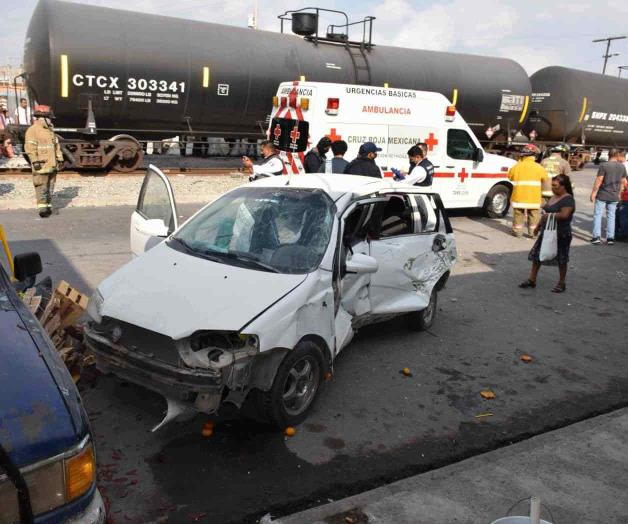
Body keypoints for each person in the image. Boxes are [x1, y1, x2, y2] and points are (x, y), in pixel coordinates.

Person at [519, 174, 576, 293]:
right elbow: (546, 212)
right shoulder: (553, 197)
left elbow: (564, 215)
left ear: (563, 186)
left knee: (561, 259)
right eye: (552, 185)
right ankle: (532, 279)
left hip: (561, 234)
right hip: (547, 232)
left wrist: (548, 216)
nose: (552, 188)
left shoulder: (568, 199)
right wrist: (538, 226)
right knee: (537, 256)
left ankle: (561, 283)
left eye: (555, 186)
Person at [24, 105, 64, 218]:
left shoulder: (50, 130)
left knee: (50, 187)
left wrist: (59, 158)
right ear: (43, 117)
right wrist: (34, 161)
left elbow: (56, 146)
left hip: (51, 164)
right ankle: (43, 209)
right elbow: (30, 148)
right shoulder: (32, 130)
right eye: (49, 117)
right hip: (41, 165)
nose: (51, 120)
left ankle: (48, 206)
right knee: (41, 186)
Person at [508, 144, 549, 238]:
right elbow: (545, 179)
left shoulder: (517, 166)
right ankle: (533, 233)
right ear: (534, 156)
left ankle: (517, 232)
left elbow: (510, 177)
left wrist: (519, 162)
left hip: (519, 197)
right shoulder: (539, 167)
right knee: (534, 215)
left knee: (518, 214)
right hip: (533, 197)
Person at [590, 148, 628, 245]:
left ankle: (596, 237)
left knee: (598, 215)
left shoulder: (604, 165)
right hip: (614, 195)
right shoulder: (622, 167)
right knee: (611, 216)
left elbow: (599, 180)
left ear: (609, 155)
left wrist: (593, 193)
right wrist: (619, 194)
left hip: (603, 194)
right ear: (617, 155)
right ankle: (610, 238)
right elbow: (623, 182)